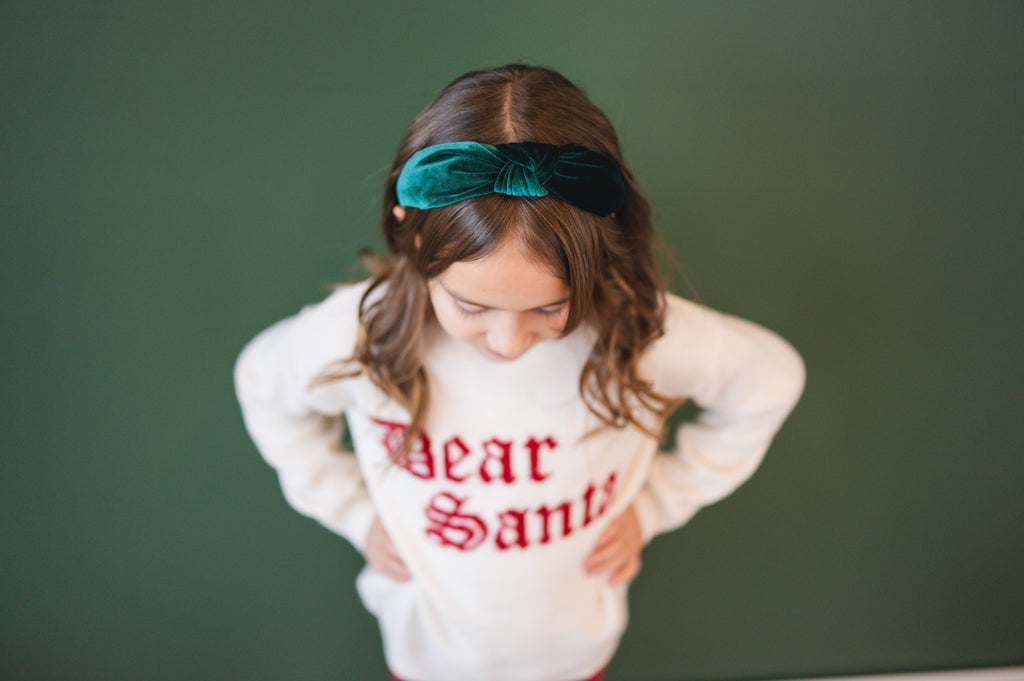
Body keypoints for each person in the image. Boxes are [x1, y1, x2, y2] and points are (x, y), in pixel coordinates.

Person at [234, 64, 805, 681]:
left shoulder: (636, 332)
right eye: (471, 307)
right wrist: (355, 513)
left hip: (574, 655)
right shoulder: (359, 335)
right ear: (413, 235)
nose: (508, 342)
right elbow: (263, 386)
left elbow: (769, 379)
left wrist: (657, 504)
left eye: (549, 309)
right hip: (429, 657)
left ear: (601, 248)